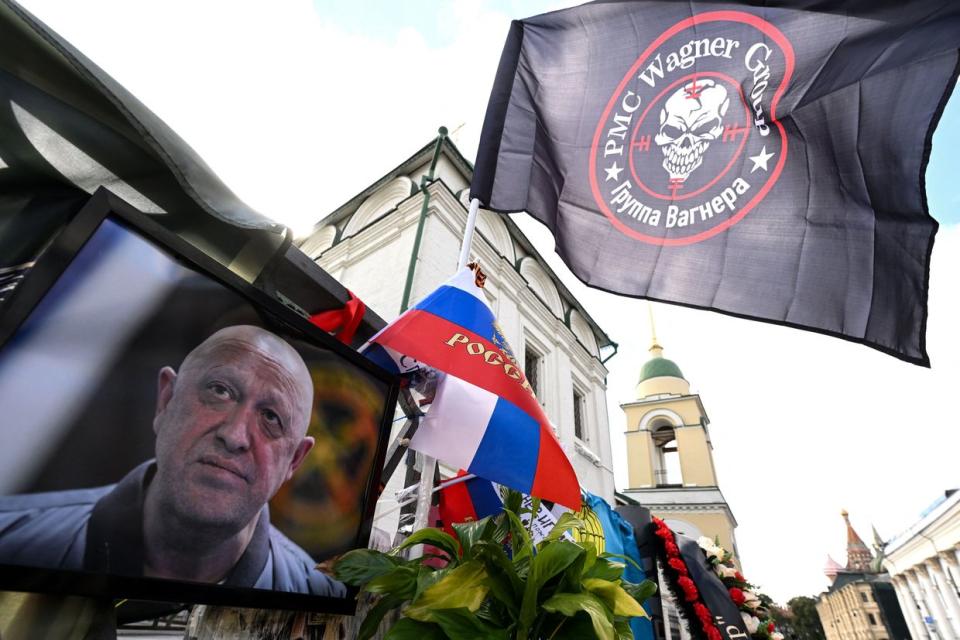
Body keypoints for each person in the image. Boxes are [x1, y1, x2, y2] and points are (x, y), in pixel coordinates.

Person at [0, 325, 346, 597]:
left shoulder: (320, 591)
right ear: (166, 400)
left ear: (295, 461)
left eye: (271, 417)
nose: (235, 435)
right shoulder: (11, 537)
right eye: (220, 391)